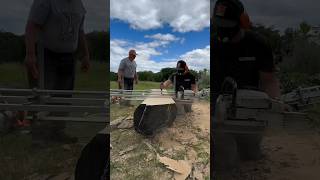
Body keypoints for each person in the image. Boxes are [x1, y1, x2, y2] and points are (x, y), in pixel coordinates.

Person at [211, 0, 281, 170]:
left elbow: (269, 80)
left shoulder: (258, 44)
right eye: (220, 24)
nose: (224, 31)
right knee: (226, 159)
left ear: (242, 21)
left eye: (228, 25)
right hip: (217, 110)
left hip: (248, 108)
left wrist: (274, 103)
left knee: (251, 155)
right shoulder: (212, 45)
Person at [25, 0, 90, 145]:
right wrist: (30, 54)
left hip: (68, 55)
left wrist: (85, 55)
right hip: (46, 53)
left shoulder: (79, 5)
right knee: (42, 94)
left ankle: (57, 132)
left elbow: (80, 31)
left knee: (64, 96)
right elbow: (32, 25)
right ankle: (38, 135)